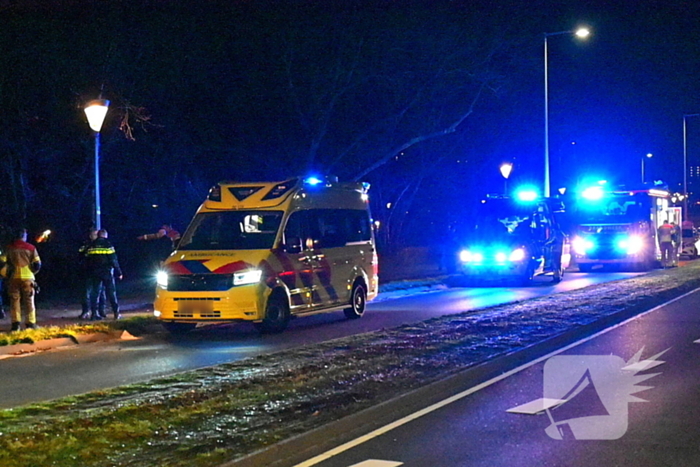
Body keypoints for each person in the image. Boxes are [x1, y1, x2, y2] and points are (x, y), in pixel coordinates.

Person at [0, 228, 41, 331]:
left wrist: (6, 274)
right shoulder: (31, 248)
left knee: (14, 301)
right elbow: (37, 264)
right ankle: (31, 324)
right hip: (28, 278)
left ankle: (15, 325)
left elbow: (1, 263)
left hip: (13, 278)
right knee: (29, 301)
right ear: (24, 236)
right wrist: (32, 273)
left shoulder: (9, 248)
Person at [85, 229, 123, 320]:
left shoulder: (92, 245)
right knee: (111, 293)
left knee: (95, 293)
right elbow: (113, 260)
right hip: (106, 272)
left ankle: (94, 314)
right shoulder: (108, 245)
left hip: (95, 272)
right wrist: (119, 272)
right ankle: (116, 313)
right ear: (105, 235)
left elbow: (87, 259)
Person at [78, 229, 105, 320]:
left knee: (98, 293)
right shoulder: (86, 244)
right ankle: (86, 311)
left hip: (98, 272)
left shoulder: (101, 244)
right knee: (86, 292)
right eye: (94, 234)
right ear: (90, 236)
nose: (96, 236)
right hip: (87, 272)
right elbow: (81, 254)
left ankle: (98, 311)